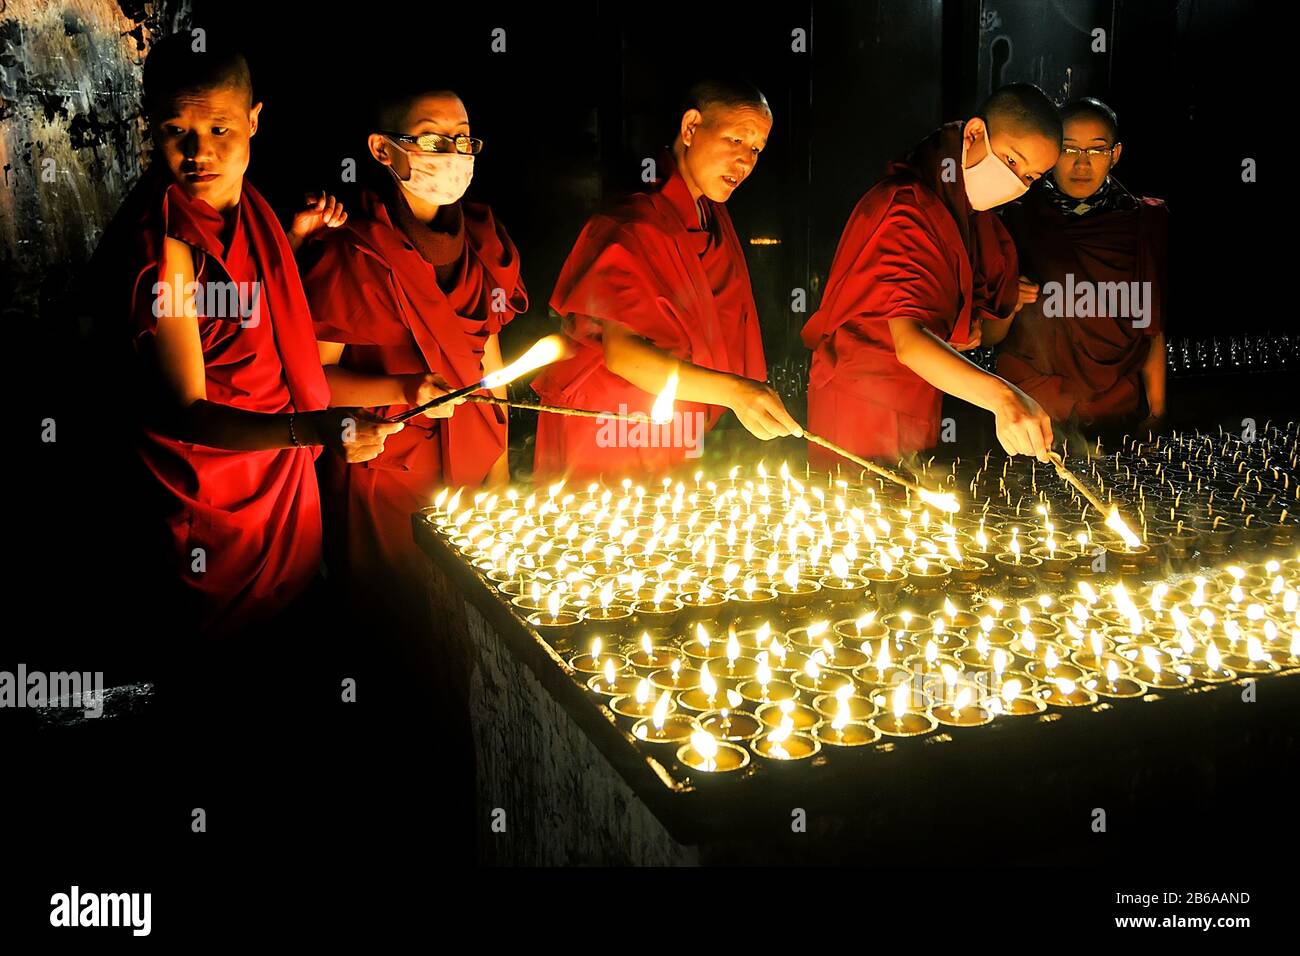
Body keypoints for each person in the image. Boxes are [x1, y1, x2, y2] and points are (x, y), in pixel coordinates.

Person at [91, 33, 399, 639]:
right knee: (231, 667)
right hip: (217, 496)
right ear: (148, 125)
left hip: (276, 476)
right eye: (175, 130)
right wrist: (312, 429)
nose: (198, 153)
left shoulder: (246, 207)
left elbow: (234, 305)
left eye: (220, 130)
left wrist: (292, 239)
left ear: (254, 120)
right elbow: (187, 414)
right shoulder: (166, 244)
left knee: (295, 632)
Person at [531, 78, 801, 480]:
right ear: (690, 127)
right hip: (610, 424)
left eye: (757, 149)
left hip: (673, 420)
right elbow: (622, 354)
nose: (745, 161)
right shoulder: (633, 222)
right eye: (735, 140)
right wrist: (733, 392)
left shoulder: (710, 218)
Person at [802, 83, 1061, 465]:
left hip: (921, 395)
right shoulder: (907, 207)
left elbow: (984, 329)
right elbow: (908, 340)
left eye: (1031, 177)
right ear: (974, 133)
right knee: (854, 515)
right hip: (860, 401)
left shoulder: (971, 218)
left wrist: (962, 328)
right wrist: (1005, 399)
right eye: (1011, 161)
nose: (1017, 182)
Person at [987, 97, 1168, 430]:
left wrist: (1157, 411)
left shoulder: (1142, 222)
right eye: (1069, 150)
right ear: (1052, 152)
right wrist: (1008, 299)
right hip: (1032, 404)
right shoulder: (1017, 218)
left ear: (1114, 155)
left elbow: (1152, 328)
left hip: (1114, 407)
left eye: (1096, 151)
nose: (1081, 165)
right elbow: (987, 333)